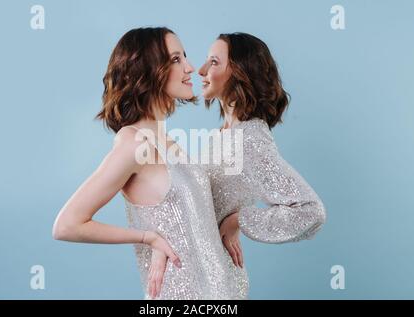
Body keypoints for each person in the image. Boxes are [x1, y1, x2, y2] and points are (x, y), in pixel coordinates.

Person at [52, 27, 248, 300]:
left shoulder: (167, 140)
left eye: (185, 57)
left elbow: (191, 219)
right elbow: (67, 225)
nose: (190, 68)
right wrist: (148, 237)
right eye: (176, 59)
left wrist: (234, 221)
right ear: (148, 69)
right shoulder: (133, 143)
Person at [198, 32, 327, 265]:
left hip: (217, 276)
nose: (201, 70)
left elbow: (311, 212)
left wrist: (240, 220)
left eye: (214, 62)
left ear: (239, 72)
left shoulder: (249, 137)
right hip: (205, 269)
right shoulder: (222, 134)